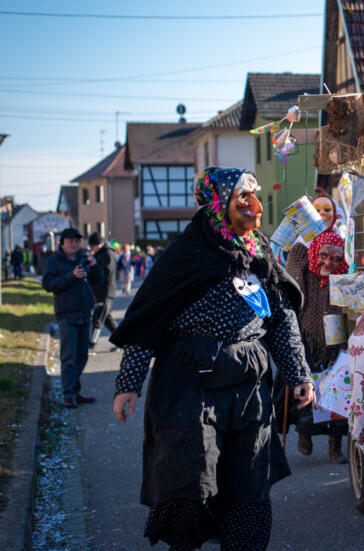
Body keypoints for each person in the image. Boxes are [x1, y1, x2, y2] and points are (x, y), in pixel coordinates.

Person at [110, 167, 314, 551]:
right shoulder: (185, 254)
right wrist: (128, 384)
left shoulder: (258, 251)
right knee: (188, 480)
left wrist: (298, 373)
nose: (255, 205)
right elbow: (148, 319)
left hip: (248, 382)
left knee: (249, 478)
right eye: (243, 197)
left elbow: (281, 317)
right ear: (218, 203)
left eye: (255, 195)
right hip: (189, 380)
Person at [284, 223, 348, 464]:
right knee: (307, 392)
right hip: (308, 340)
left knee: (337, 395)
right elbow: (292, 270)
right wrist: (304, 240)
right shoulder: (306, 269)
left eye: (336, 258)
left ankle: (335, 446)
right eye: (324, 255)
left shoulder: (342, 276)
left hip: (335, 343)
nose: (328, 263)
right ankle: (304, 432)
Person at [43, 227, 103, 408]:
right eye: (70, 241)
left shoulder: (83, 258)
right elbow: (48, 285)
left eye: (77, 241)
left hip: (85, 312)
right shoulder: (54, 261)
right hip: (66, 313)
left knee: (82, 356)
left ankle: (75, 391)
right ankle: (69, 394)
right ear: (62, 244)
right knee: (69, 356)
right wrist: (71, 276)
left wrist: (95, 266)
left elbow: (99, 280)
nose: (74, 244)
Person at [88, 233, 118, 346]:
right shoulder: (99, 253)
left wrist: (94, 266)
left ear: (99, 244)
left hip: (106, 291)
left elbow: (107, 271)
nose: (91, 249)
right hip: (99, 291)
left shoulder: (108, 254)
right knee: (107, 319)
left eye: (92, 246)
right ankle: (122, 342)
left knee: (98, 318)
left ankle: (92, 344)